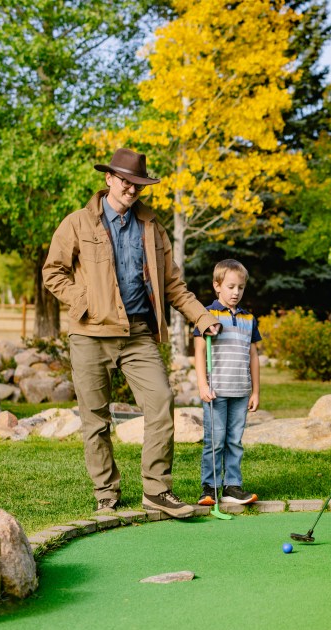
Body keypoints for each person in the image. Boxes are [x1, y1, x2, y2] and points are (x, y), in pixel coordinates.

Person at [42, 147, 221, 519]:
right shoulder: (77, 223)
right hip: (90, 334)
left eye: (138, 183)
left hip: (139, 334)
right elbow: (52, 272)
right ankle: (105, 492)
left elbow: (172, 284)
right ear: (108, 178)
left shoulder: (151, 227)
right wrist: (84, 299)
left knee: (161, 402)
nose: (132, 189)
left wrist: (201, 317)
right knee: (95, 419)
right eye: (126, 181)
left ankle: (157, 490)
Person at [193, 259, 261, 506]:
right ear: (217, 286)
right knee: (215, 439)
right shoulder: (206, 315)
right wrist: (202, 384)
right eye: (231, 287)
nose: (236, 292)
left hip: (240, 390)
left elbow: (253, 356)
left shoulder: (249, 318)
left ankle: (232, 486)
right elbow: (199, 351)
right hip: (216, 390)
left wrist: (255, 391)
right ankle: (209, 487)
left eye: (240, 288)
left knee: (234, 440)